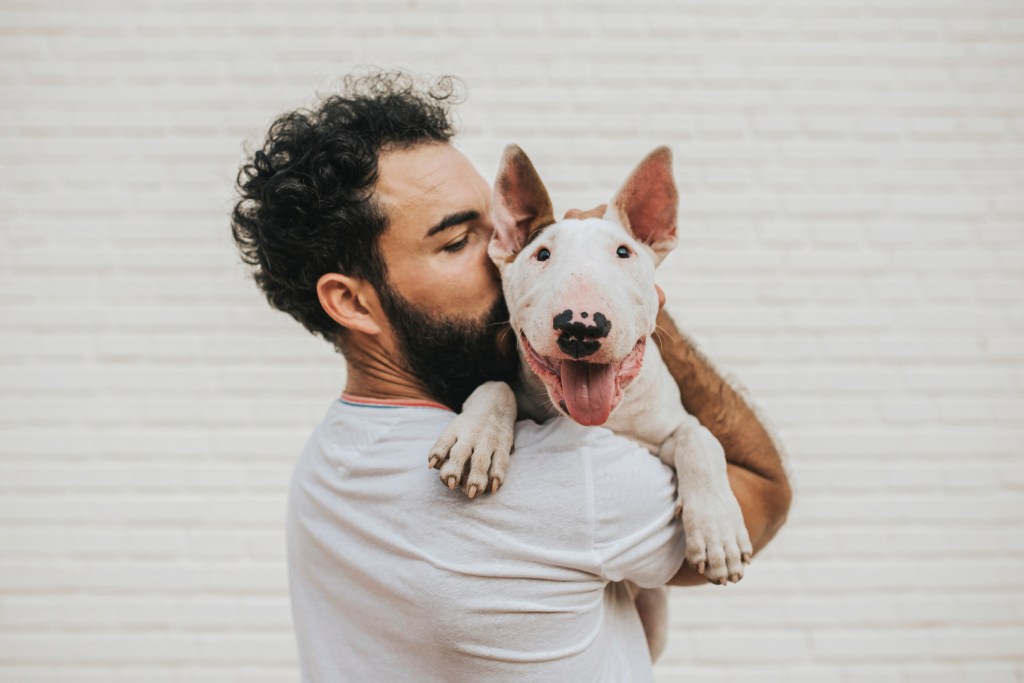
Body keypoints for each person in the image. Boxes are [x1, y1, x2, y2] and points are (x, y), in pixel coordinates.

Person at [230, 71, 791, 682]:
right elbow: (763, 491)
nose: (511, 262)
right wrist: (643, 299)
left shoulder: (325, 463)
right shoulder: (572, 476)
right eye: (457, 243)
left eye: (497, 227)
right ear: (353, 302)